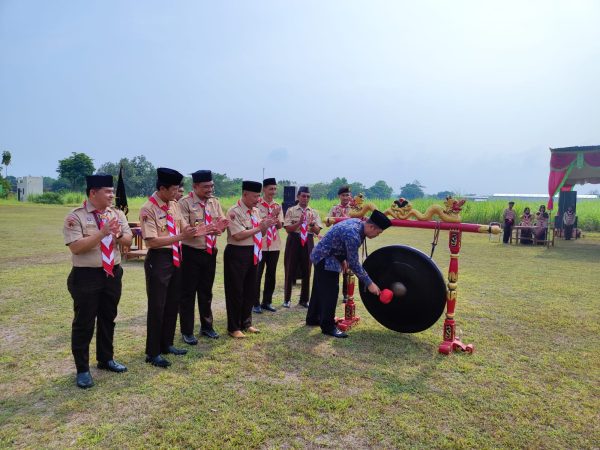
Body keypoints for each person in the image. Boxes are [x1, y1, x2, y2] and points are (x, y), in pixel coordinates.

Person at [63, 174, 133, 389]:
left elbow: (128, 241)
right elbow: (76, 247)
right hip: (86, 275)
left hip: (112, 273)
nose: (113, 195)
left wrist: (119, 234)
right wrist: (102, 232)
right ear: (93, 193)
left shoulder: (117, 214)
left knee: (108, 318)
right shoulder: (76, 217)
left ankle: (106, 359)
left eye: (113, 191)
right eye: (108, 192)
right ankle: (82, 369)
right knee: (84, 323)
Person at [140, 168, 203, 368]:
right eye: (174, 189)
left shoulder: (173, 205)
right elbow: (152, 242)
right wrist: (181, 237)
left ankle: (167, 343)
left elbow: (183, 226)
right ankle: (153, 352)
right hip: (159, 258)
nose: (177, 193)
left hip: (176, 255)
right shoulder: (148, 208)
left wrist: (196, 230)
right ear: (162, 188)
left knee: (173, 303)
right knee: (157, 306)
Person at [306, 210, 391, 338]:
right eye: (378, 232)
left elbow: (340, 242)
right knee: (331, 292)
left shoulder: (358, 223)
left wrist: (343, 258)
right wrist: (369, 283)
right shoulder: (353, 234)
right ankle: (328, 327)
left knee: (320, 288)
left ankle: (313, 318)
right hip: (326, 258)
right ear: (371, 226)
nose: (377, 235)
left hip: (325, 254)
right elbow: (354, 263)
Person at [178, 170, 228, 344]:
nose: (210, 189)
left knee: (206, 291)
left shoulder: (215, 202)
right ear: (195, 186)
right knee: (188, 292)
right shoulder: (184, 203)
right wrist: (207, 228)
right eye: (206, 186)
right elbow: (184, 230)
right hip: (191, 252)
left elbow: (222, 223)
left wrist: (220, 228)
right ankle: (187, 330)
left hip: (210, 251)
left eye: (212, 186)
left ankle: (207, 326)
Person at [224, 181, 275, 338]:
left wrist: (266, 225)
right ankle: (233, 327)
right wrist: (259, 227)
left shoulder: (256, 211)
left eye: (259, 195)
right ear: (245, 194)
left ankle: (246, 323)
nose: (258, 199)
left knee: (250, 290)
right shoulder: (234, 211)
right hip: (237, 253)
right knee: (236, 291)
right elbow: (237, 235)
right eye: (255, 196)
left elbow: (262, 234)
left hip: (254, 251)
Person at [283, 186, 322, 308]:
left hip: (308, 241)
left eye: (308, 196)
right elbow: (288, 229)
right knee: (290, 268)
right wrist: (299, 223)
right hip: (294, 239)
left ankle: (304, 300)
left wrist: (311, 224)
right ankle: (287, 299)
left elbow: (317, 231)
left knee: (307, 269)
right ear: (298, 196)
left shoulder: (314, 212)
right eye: (303, 196)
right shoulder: (291, 210)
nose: (305, 198)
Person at [253, 178, 284, 314]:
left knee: (271, 274)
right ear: (264, 189)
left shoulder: (277, 205)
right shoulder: (257, 205)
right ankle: (255, 303)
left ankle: (267, 302)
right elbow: (258, 224)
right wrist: (271, 215)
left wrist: (276, 218)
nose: (273, 191)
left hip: (274, 245)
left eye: (275, 189)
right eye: (270, 189)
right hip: (261, 244)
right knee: (257, 275)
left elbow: (280, 226)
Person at [328, 185, 353, 303]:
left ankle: (346, 294)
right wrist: (329, 219)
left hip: (349, 243)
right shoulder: (334, 209)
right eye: (343, 195)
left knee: (347, 270)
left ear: (350, 196)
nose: (345, 197)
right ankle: (333, 293)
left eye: (347, 195)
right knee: (335, 268)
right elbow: (327, 223)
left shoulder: (355, 208)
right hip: (336, 243)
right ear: (339, 196)